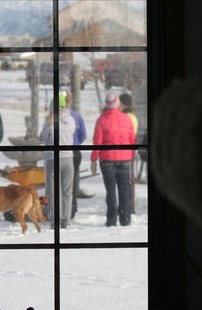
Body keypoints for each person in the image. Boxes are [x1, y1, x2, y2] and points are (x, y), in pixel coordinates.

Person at [90, 92, 136, 227]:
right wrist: (131, 155)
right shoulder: (127, 119)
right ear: (117, 104)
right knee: (124, 190)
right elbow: (132, 139)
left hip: (107, 160)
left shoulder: (102, 120)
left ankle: (111, 219)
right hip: (125, 160)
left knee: (110, 191)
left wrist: (93, 160)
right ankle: (125, 218)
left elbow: (97, 142)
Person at [40, 94, 75, 229]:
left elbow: (43, 138)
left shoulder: (50, 122)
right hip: (68, 159)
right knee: (67, 191)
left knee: (53, 192)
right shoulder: (70, 120)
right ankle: (65, 220)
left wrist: (47, 123)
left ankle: (55, 221)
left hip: (52, 159)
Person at [63, 89, 90, 220]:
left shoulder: (54, 116)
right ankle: (72, 207)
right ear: (71, 101)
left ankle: (61, 207)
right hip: (75, 150)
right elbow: (83, 135)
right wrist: (77, 142)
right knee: (73, 180)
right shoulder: (77, 116)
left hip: (61, 151)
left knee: (59, 181)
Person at [119, 93, 138, 214]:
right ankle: (128, 205)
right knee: (128, 179)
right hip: (127, 150)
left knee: (128, 179)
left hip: (127, 151)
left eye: (120, 103)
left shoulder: (128, 117)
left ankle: (129, 207)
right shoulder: (131, 116)